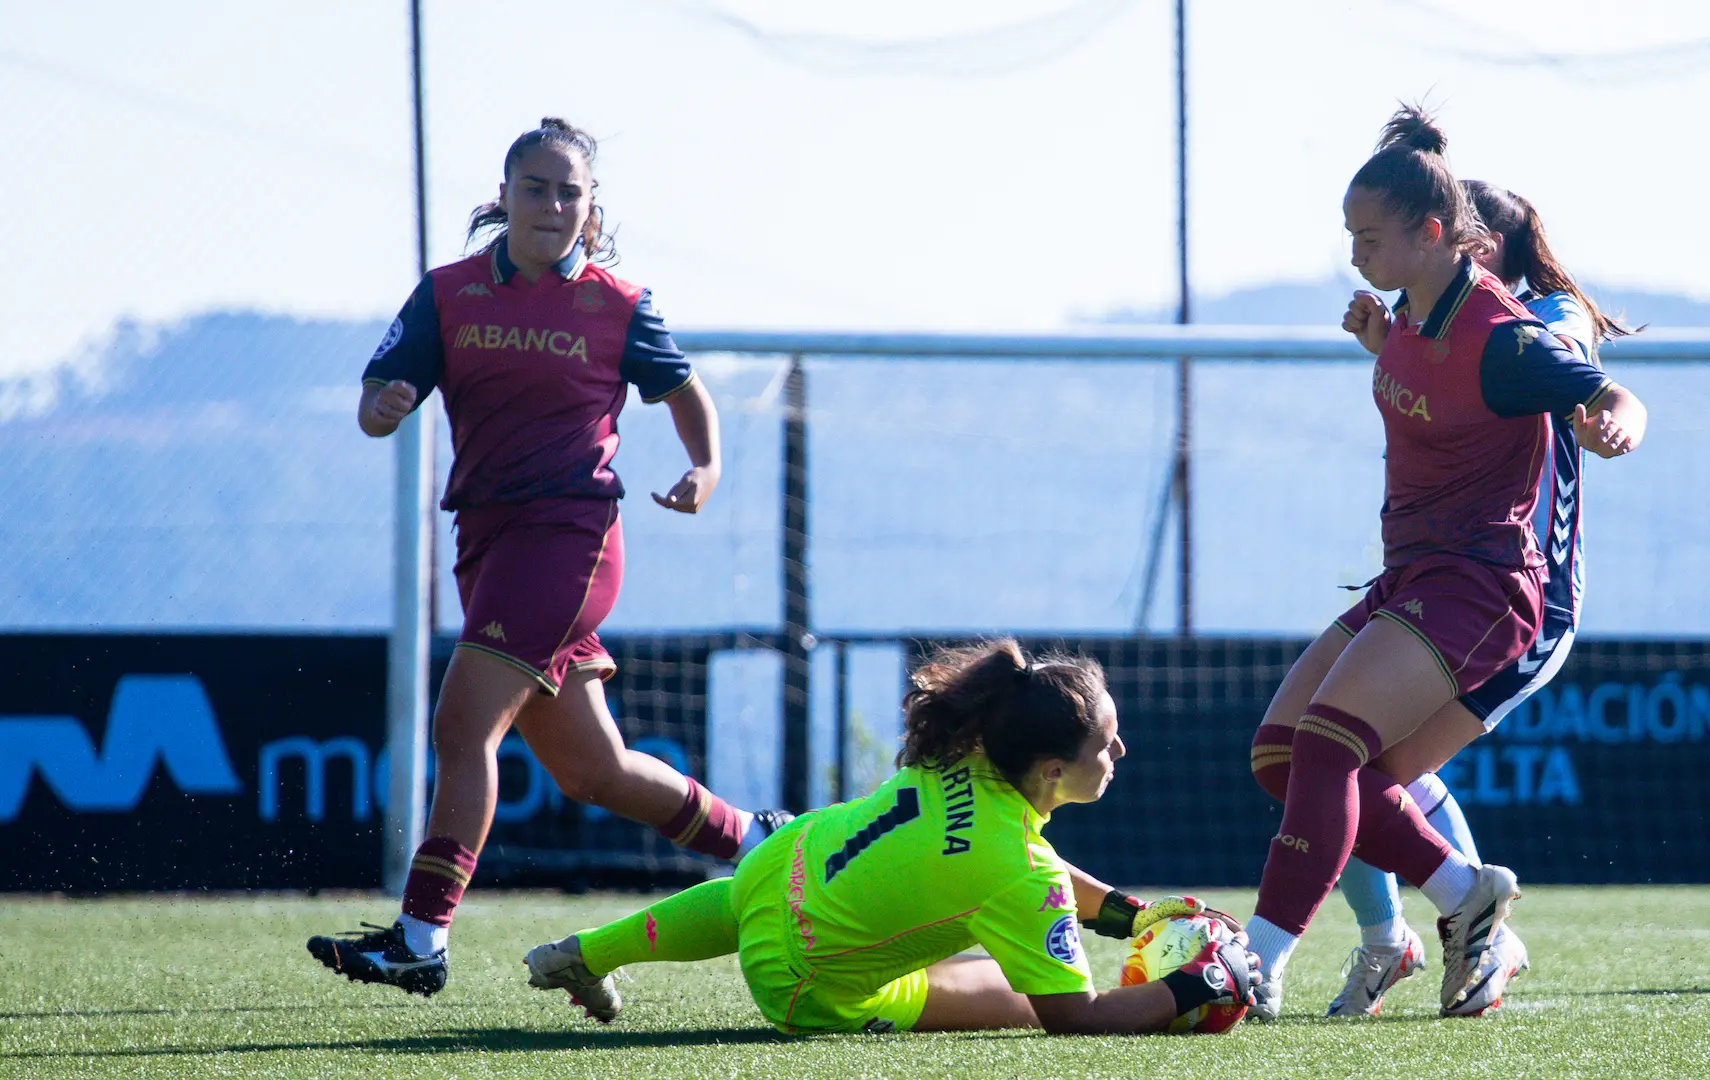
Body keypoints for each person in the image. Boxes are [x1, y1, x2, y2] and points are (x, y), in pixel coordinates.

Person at [307, 118, 789, 998]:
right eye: (537, 188)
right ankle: (763, 842)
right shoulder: (450, 294)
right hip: (486, 541)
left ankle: (420, 936)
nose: (555, 205)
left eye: (571, 192)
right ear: (506, 195)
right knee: (591, 771)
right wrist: (384, 408)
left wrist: (706, 469)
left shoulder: (619, 302)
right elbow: (379, 396)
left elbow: (686, 396)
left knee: (462, 729)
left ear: (590, 208)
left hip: (570, 540)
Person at [1242, 104, 1648, 1019]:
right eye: (1349, 234)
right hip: (1412, 575)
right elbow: (1430, 386)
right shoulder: (1413, 314)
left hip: (1479, 583)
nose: (1354, 253)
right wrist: (1382, 344)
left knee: (1332, 751)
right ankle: (1466, 897)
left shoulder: (1505, 336)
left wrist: (1617, 420)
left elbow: (1609, 388)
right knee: (1280, 756)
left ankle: (1258, 962)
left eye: (1368, 236)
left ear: (1433, 235)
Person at [520, 640, 1260, 1035]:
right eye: (1108, 742)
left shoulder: (974, 748)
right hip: (801, 986)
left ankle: (582, 954)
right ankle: (594, 957)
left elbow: (1037, 869)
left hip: (783, 859)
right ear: (1052, 768)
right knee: (1018, 995)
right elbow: (1076, 1018)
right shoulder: (1016, 869)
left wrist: (1129, 917)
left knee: (757, 898)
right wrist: (1196, 983)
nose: (1121, 753)